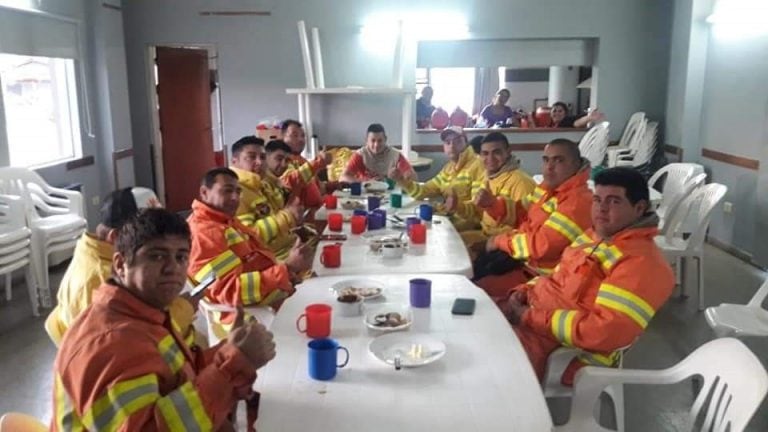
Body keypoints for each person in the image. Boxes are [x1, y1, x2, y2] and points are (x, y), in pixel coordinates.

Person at [51, 208, 276, 431]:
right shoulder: (110, 343)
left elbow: (178, 377)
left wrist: (228, 350)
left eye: (181, 257)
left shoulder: (144, 312)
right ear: (120, 265)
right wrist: (234, 364)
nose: (173, 268)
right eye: (156, 256)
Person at [498, 167, 675, 385]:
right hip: (537, 324)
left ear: (639, 208)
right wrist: (522, 292)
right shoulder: (595, 236)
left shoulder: (643, 265)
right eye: (598, 200)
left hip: (570, 354)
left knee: (492, 367)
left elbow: (604, 332)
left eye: (614, 202)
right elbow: (554, 277)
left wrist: (527, 317)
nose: (601, 209)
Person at [44, 188, 197, 347]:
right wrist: (183, 309)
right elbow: (133, 341)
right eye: (150, 233)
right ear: (117, 237)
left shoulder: (90, 252)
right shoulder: (105, 282)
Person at [187, 168, 313, 317]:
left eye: (238, 191)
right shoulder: (204, 234)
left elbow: (258, 260)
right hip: (249, 317)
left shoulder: (225, 221)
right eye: (227, 191)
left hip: (271, 296)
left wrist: (291, 271)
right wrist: (287, 268)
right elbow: (229, 290)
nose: (235, 197)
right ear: (204, 192)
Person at [477, 138, 593, 293]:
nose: (549, 167)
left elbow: (542, 246)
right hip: (522, 263)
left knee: (479, 290)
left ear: (576, 164)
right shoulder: (547, 188)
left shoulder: (577, 202)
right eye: (546, 160)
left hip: (545, 280)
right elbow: (520, 212)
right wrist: (492, 204)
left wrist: (498, 241)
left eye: (558, 161)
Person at [455, 132, 537, 270]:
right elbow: (477, 211)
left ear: (508, 152)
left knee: (457, 257)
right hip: (484, 234)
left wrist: (488, 243)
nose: (490, 158)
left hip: (506, 250)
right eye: (485, 153)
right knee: (449, 244)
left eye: (496, 152)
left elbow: (525, 230)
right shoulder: (489, 177)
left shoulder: (522, 182)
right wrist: (456, 206)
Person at [390, 126, 484, 231]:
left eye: (457, 141)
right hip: (448, 221)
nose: (452, 146)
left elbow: (478, 209)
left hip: (466, 228)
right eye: (448, 142)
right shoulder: (448, 169)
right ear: (444, 147)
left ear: (466, 144)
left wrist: (457, 206)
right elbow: (422, 191)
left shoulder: (478, 165)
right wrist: (401, 180)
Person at [229, 135, 303, 259]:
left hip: (288, 246)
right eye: (251, 157)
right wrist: (288, 217)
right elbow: (247, 236)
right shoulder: (235, 193)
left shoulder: (261, 184)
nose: (259, 162)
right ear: (235, 161)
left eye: (262, 157)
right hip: (273, 259)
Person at [280, 119, 337, 211]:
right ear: (282, 137)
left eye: (303, 136)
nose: (300, 139)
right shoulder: (283, 160)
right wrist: (318, 162)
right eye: (295, 135)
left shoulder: (303, 161)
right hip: (302, 216)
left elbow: (319, 187)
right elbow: (291, 181)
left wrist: (335, 186)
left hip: (319, 209)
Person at [340, 123, 416, 182]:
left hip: (390, 194)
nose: (376, 145)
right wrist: (365, 181)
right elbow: (343, 178)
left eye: (380, 141)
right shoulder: (360, 155)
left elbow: (414, 179)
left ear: (385, 139)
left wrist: (401, 177)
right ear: (366, 141)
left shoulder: (395, 155)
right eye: (373, 141)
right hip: (365, 194)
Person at [541, 102, 606, 128]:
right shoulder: (550, 126)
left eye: (560, 111)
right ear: (550, 114)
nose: (557, 113)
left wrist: (589, 118)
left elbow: (576, 123)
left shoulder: (565, 122)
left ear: (565, 113)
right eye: (554, 111)